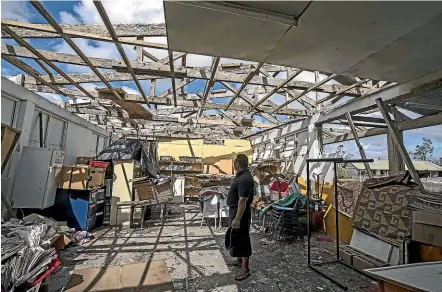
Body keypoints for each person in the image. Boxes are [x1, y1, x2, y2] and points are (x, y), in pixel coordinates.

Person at [226, 154, 255, 281]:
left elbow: (242, 201)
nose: (233, 164)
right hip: (236, 211)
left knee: (243, 239)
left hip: (240, 213)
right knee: (236, 237)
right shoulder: (242, 176)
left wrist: (237, 218)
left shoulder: (244, 179)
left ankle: (245, 269)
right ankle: (239, 260)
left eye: (234, 162)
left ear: (237, 163)